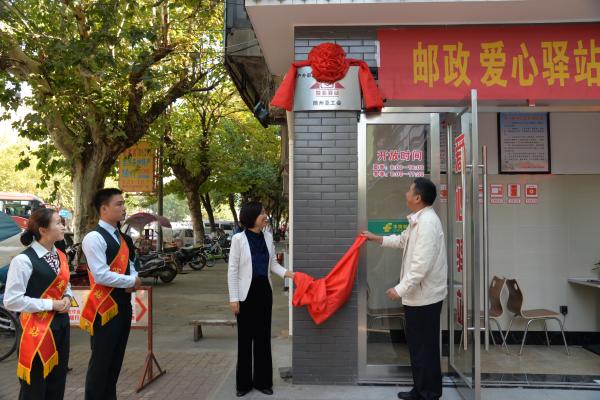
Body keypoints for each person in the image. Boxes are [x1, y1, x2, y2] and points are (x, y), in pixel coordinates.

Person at [362, 178, 447, 400]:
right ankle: (420, 390)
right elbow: (402, 241)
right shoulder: (418, 220)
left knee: (425, 347)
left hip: (426, 298)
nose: (406, 193)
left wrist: (399, 289)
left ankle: (429, 393)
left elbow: (421, 266)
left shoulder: (427, 224)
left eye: (410, 190)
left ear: (418, 197)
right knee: (418, 347)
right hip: (418, 296)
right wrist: (376, 238)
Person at [3, 208, 72, 400]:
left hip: (61, 326)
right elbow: (11, 300)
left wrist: (67, 297)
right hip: (36, 331)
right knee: (35, 388)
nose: (62, 227)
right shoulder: (23, 260)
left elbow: (66, 284)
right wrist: (51, 304)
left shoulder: (60, 255)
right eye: (58, 223)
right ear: (43, 230)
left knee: (57, 384)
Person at [228, 201, 294, 397]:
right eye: (262, 213)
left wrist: (290, 274)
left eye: (265, 212)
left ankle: (263, 382)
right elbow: (232, 270)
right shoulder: (238, 239)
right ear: (252, 217)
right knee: (245, 340)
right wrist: (234, 298)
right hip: (245, 294)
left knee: (263, 338)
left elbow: (272, 265)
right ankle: (243, 385)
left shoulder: (268, 236)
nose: (265, 216)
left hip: (264, 291)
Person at [81, 188, 141, 400]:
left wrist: (133, 278)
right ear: (104, 208)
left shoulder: (123, 238)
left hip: (123, 306)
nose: (124, 208)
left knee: (115, 363)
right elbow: (100, 275)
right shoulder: (94, 237)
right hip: (104, 308)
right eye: (119, 204)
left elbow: (131, 265)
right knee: (101, 364)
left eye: (123, 203)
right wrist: (131, 281)